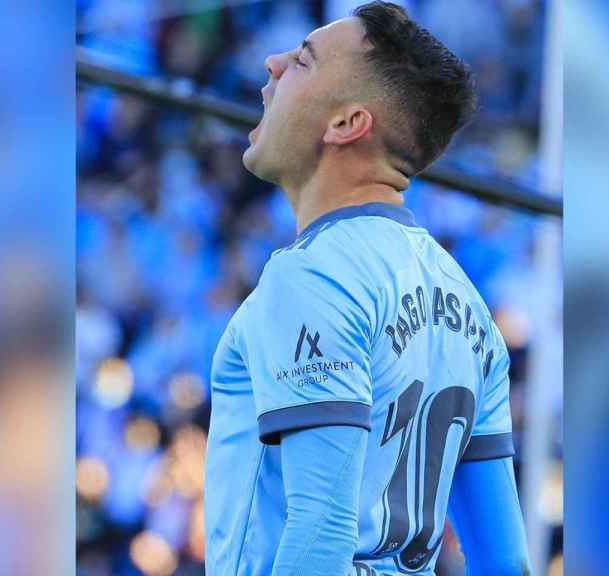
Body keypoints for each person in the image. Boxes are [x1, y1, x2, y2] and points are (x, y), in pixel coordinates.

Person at [203, 2, 532, 574]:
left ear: (346, 124)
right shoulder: (471, 308)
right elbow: (505, 562)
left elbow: (323, 530)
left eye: (302, 61)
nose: (273, 62)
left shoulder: (313, 274)